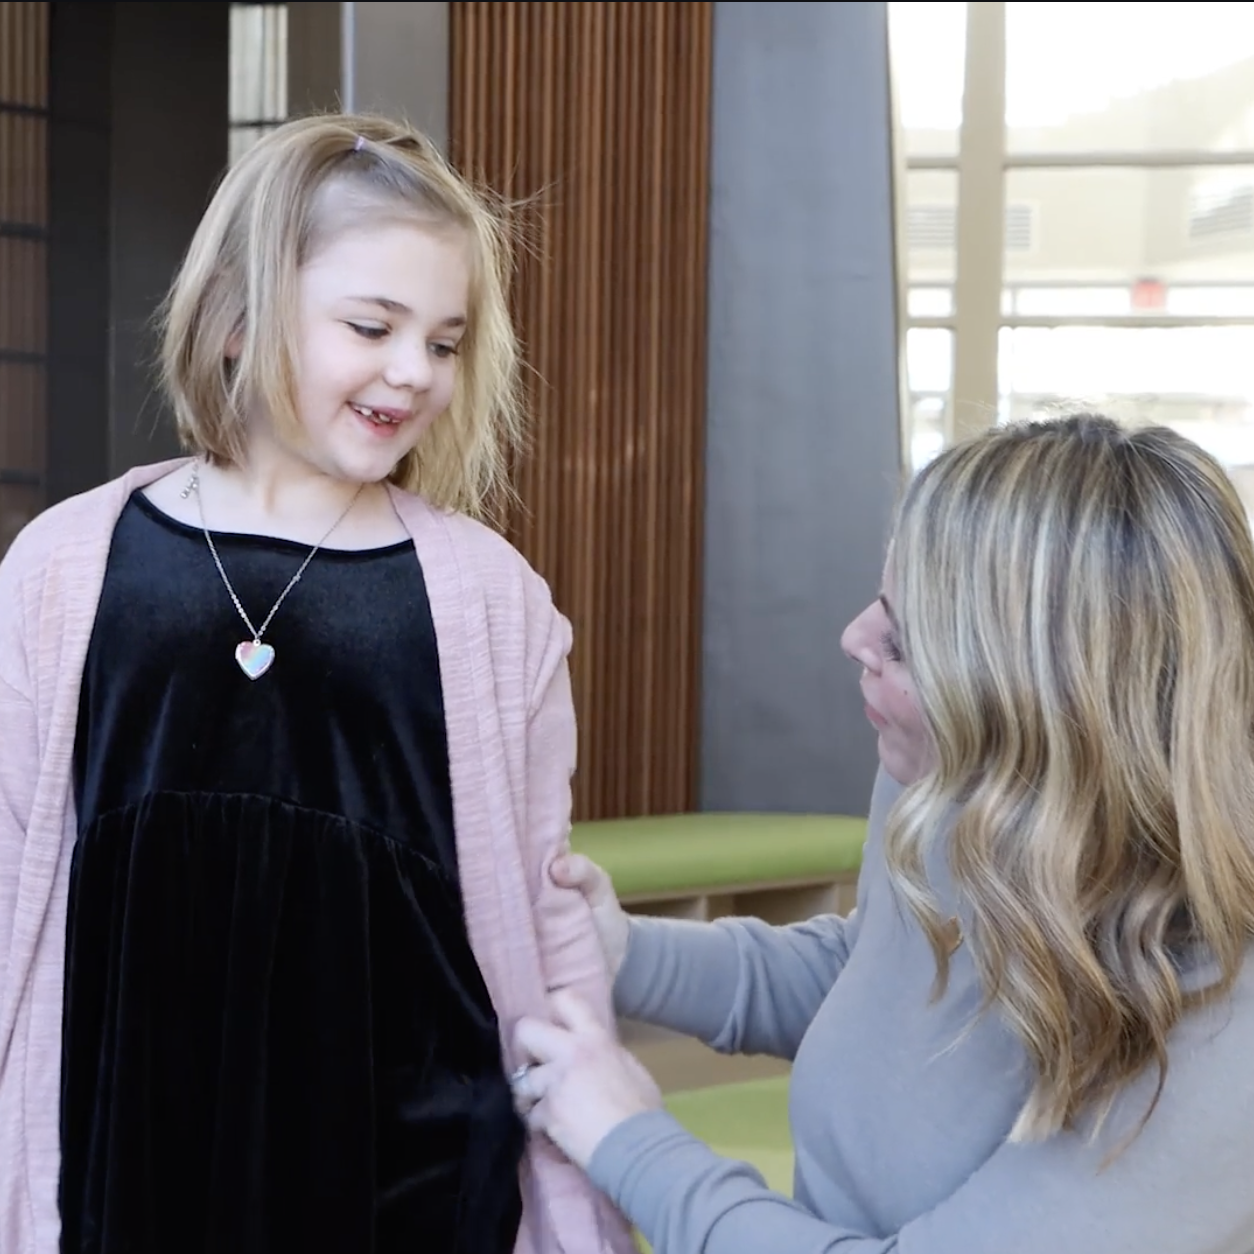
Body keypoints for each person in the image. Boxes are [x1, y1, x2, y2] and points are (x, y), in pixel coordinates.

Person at [0, 113, 635, 1254]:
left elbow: (540, 902)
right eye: (371, 325)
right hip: (130, 1144)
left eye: (444, 342)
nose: (413, 372)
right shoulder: (60, 568)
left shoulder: (493, 601)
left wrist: (594, 1141)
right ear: (238, 319)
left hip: (409, 1169)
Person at [510, 415, 1254, 1253]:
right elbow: (881, 978)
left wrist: (633, 1142)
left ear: (1028, 708)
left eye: (902, 643)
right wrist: (630, 958)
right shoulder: (952, 777)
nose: (854, 641)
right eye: (881, 606)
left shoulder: (1225, 1034)